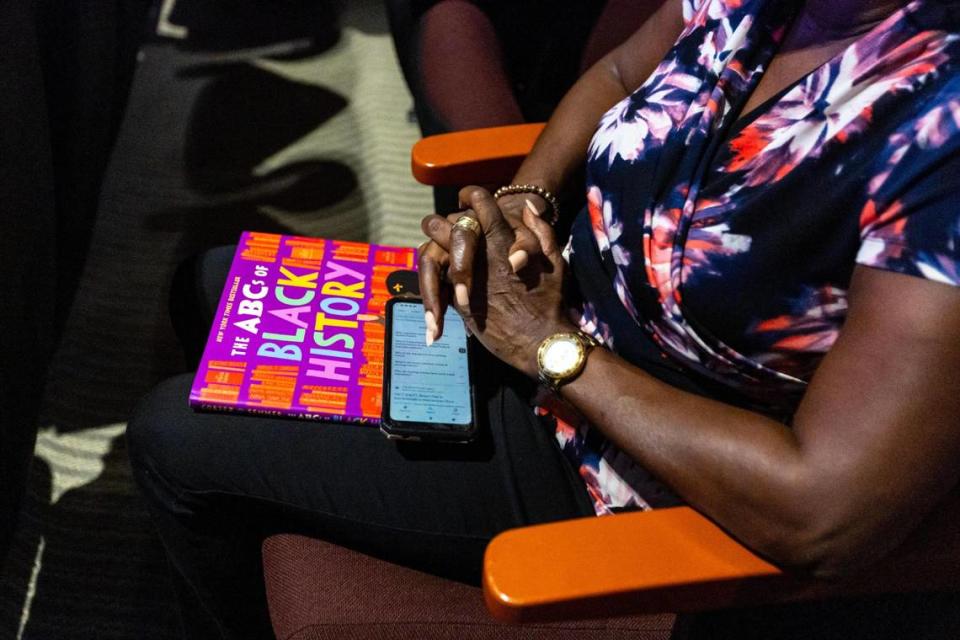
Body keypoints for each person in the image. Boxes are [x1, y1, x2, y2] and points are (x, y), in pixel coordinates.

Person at [127, 0, 960, 638]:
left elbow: (825, 512)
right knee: (209, 287)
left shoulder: (937, 129)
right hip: (549, 312)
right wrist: (524, 199)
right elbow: (620, 77)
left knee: (173, 438)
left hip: (629, 457)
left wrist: (548, 348)